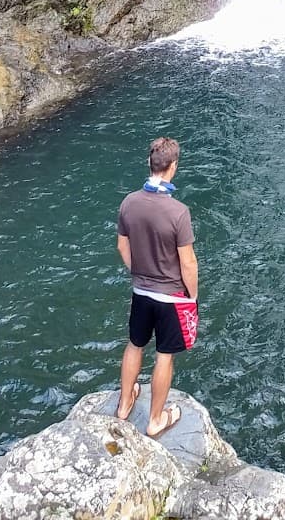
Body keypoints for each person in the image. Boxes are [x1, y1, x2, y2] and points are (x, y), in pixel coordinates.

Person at [115, 135, 199, 437]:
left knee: (135, 344)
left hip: (141, 291)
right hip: (171, 298)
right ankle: (155, 420)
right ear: (173, 166)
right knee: (164, 356)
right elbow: (188, 263)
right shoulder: (178, 212)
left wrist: (139, 273)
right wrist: (192, 295)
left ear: (149, 163)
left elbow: (122, 246)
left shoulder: (129, 202)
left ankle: (124, 405)